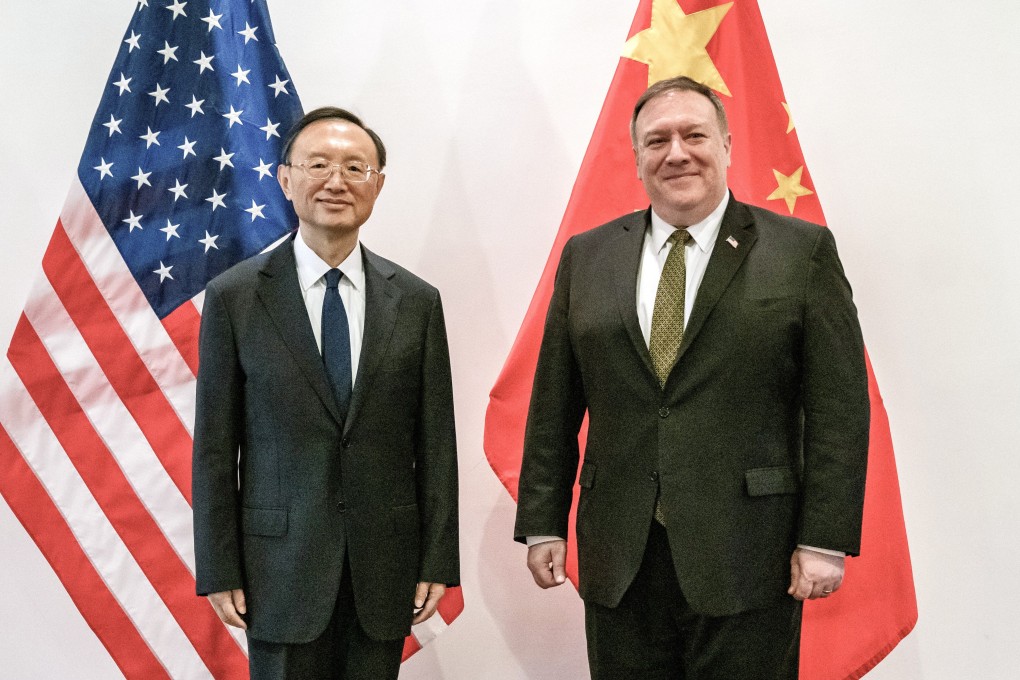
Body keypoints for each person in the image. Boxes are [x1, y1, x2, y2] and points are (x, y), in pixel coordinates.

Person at [514, 76, 869, 679]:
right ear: (637, 158)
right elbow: (554, 402)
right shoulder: (587, 256)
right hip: (620, 556)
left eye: (694, 135)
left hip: (750, 554)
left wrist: (824, 538)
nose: (676, 153)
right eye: (657, 141)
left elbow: (839, 408)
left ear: (727, 145)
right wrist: (542, 521)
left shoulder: (800, 252)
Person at [192, 107, 460, 680]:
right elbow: (214, 447)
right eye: (318, 165)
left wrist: (438, 558)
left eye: (355, 168)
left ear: (377, 186)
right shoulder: (236, 297)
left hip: (383, 568)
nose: (336, 181)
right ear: (286, 179)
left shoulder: (417, 302)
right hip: (276, 570)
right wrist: (218, 566)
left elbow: (436, 443)